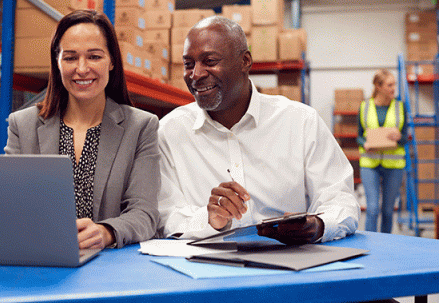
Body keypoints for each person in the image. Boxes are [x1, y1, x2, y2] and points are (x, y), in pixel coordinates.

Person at [157, 16, 360, 244]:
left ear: (245, 61)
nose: (196, 74)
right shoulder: (170, 132)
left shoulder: (301, 122)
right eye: (188, 64)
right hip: (207, 270)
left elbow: (341, 199)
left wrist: (318, 225)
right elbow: (166, 216)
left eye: (210, 61)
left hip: (291, 263)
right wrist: (209, 219)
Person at [4, 10, 160, 249]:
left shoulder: (140, 127)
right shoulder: (22, 125)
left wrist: (106, 232)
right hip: (43, 260)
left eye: (94, 56)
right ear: (57, 63)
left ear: (111, 61)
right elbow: (11, 205)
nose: (82, 68)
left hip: (109, 266)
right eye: (70, 58)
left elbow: (145, 214)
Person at [357, 69, 407, 233]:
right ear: (378, 87)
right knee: (372, 209)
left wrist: (399, 136)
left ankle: (385, 246)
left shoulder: (400, 107)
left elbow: (405, 137)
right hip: (370, 163)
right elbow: (359, 136)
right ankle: (370, 247)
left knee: (387, 211)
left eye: (394, 85)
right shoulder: (364, 106)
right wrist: (364, 143)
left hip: (393, 165)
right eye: (389, 85)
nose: (393, 88)